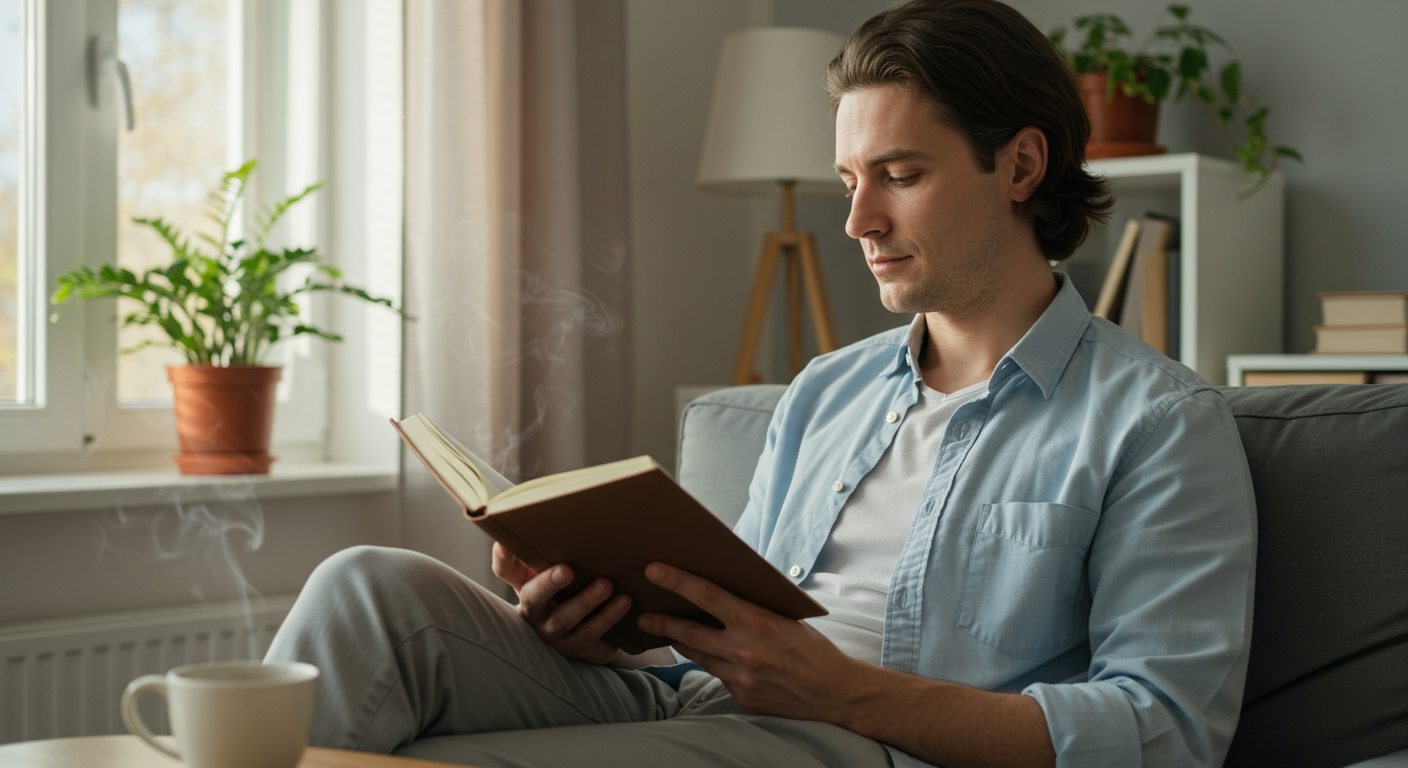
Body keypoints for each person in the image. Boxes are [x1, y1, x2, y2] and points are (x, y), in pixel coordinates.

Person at [265, 1, 1256, 766]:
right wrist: (606, 628)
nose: (857, 220)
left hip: (866, 744)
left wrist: (840, 693)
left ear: (1021, 165)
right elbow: (715, 644)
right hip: (701, 704)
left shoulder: (1156, 424)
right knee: (366, 588)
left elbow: (1163, 730)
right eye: (848, 181)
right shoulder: (826, 391)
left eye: (899, 174)